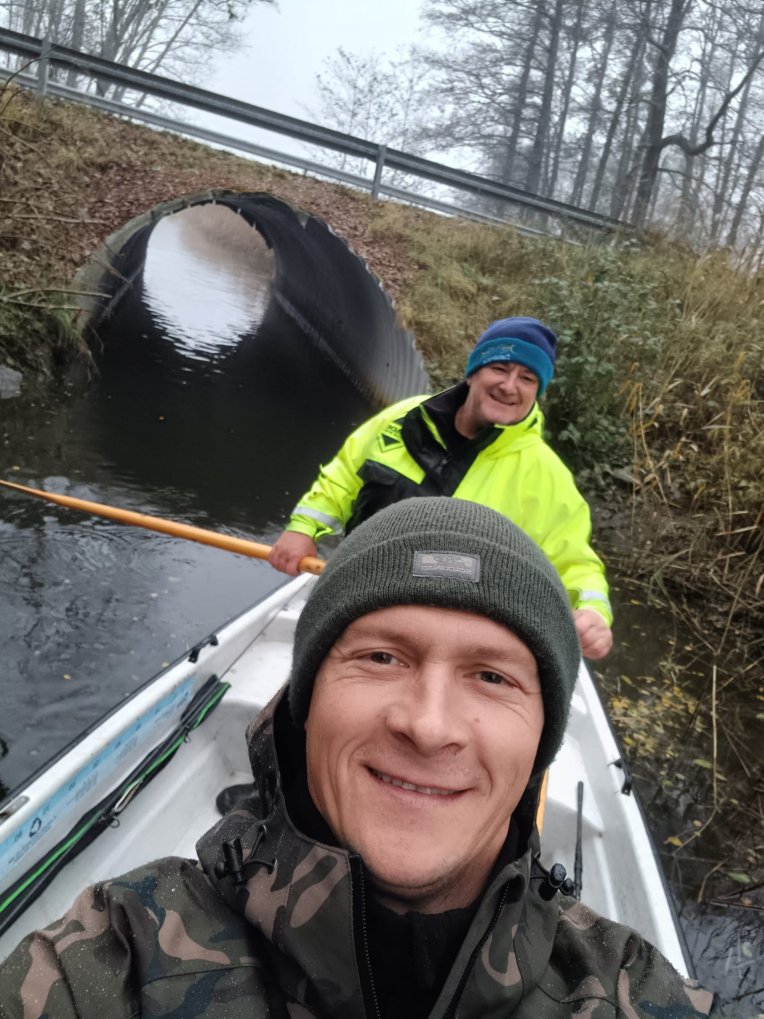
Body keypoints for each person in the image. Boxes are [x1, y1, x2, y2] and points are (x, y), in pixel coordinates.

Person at [0, 498, 719, 1018]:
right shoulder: (110, 961)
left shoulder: (631, 992)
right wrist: (306, 526)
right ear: (305, 705)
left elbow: (582, 563)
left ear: (540, 741)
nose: (429, 726)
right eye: (381, 657)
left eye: (492, 676)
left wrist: (593, 606)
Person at [269, 316, 613, 660]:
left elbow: (575, 562)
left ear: (537, 392)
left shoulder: (547, 476)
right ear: (473, 372)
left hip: (460, 640)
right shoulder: (403, 419)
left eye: (527, 378)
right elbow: (344, 476)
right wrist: (303, 528)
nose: (509, 386)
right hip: (357, 596)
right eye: (500, 369)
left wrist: (593, 613)